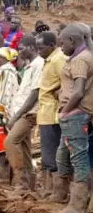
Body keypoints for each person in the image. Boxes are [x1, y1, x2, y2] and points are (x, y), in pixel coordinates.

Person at [54, 25, 93, 213]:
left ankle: (77, 205)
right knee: (63, 155)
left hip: (75, 114)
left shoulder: (80, 60)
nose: (60, 47)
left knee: (78, 158)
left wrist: (65, 112)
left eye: (62, 43)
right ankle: (61, 194)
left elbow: (77, 92)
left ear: (73, 41)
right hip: (74, 113)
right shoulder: (81, 57)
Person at [4, 36, 44, 189]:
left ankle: (21, 181)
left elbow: (34, 94)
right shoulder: (29, 66)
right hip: (23, 111)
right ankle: (30, 183)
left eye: (21, 48)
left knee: (10, 141)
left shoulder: (39, 65)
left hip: (28, 113)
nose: (19, 51)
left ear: (32, 48)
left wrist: (16, 115)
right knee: (25, 147)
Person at [34, 32, 65, 197]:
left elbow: (67, 81)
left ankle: (56, 192)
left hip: (52, 113)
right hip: (46, 112)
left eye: (41, 48)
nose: (39, 51)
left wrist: (59, 94)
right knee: (47, 153)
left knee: (51, 154)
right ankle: (49, 190)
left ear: (53, 45)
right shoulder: (50, 60)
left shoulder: (58, 60)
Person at [0, 47, 20, 183]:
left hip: (2, 116)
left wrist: (1, 115)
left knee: (1, 148)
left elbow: (5, 95)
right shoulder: (4, 71)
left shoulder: (6, 72)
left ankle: (3, 177)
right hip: (0, 115)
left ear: (5, 59)